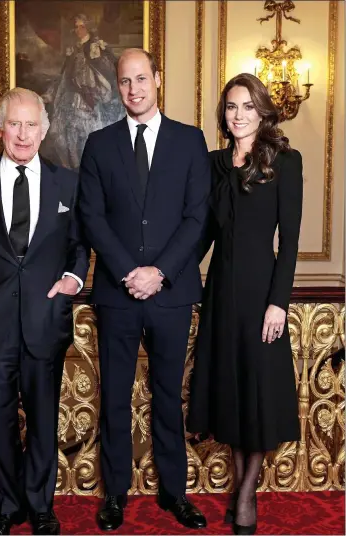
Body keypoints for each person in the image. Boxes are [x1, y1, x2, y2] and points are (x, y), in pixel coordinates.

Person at [78, 48, 210, 531]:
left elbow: (198, 218)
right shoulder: (99, 143)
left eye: (141, 78)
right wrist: (128, 272)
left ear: (158, 78)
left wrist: (160, 273)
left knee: (167, 396)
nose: (133, 88)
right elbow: (91, 217)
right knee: (113, 396)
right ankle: (114, 495)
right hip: (117, 294)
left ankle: (174, 493)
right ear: (118, 86)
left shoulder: (190, 141)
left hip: (171, 294)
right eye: (124, 81)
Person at [0, 88, 89, 536]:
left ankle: (40, 504)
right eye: (14, 123)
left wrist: (73, 279)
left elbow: (79, 246)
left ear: (45, 130)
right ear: (0, 128)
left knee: (42, 419)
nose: (23, 133)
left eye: (31, 124)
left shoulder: (67, 182)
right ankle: (6, 506)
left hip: (44, 320)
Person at [187, 73, 303, 535]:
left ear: (262, 111)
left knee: (256, 393)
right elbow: (202, 234)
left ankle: (247, 491)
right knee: (231, 395)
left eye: (247, 107)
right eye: (231, 107)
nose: (238, 115)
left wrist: (278, 303)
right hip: (221, 292)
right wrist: (164, 273)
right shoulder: (214, 163)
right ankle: (241, 483)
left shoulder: (285, 161)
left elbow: (290, 242)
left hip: (261, 296)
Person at [42, 13, 125, 170]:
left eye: (82, 26)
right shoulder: (73, 50)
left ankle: (90, 166)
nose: (79, 30)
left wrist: (92, 84)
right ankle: (72, 168)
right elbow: (65, 74)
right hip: (72, 96)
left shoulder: (97, 46)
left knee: (88, 132)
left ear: (88, 27)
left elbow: (108, 70)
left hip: (92, 96)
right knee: (68, 132)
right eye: (76, 27)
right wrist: (52, 92)